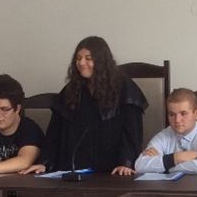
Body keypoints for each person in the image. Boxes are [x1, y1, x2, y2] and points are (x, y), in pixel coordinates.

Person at [23, 36, 148, 176]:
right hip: (75, 170)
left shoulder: (124, 87)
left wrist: (126, 163)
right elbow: (54, 134)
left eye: (88, 58)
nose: (81, 63)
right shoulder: (71, 90)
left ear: (101, 61)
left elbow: (132, 133)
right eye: (78, 58)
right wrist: (45, 162)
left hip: (114, 171)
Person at [134, 88, 197, 175]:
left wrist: (166, 167)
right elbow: (139, 165)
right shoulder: (164, 135)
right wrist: (177, 157)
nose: (177, 120)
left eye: (183, 114)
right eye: (172, 114)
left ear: (196, 113)